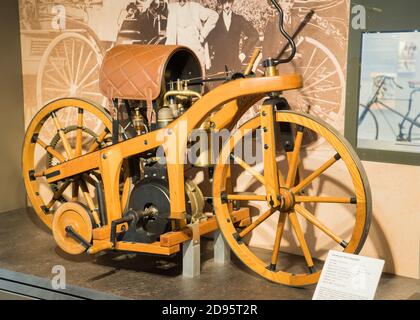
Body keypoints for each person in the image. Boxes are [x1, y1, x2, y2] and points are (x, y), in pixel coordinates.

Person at [207, 0, 259, 73]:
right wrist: (209, 56)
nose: (227, 5)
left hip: (234, 64)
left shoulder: (239, 19)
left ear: (232, 3)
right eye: (224, 3)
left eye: (229, 2)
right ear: (221, 3)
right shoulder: (215, 20)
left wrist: (243, 53)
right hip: (218, 65)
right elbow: (208, 40)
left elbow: (254, 35)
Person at [165, 0, 218, 68]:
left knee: (197, 76)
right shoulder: (171, 8)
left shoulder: (195, 7)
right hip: (177, 54)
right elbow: (156, 6)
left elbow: (214, 15)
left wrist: (203, 35)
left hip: (195, 55)